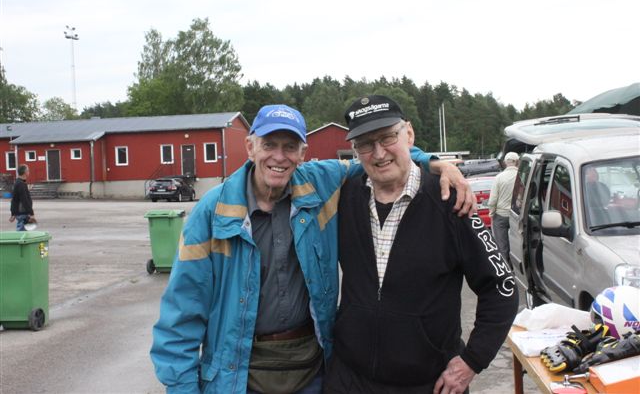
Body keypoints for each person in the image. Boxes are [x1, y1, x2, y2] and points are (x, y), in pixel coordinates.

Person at [150, 104, 475, 394]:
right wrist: (182, 387)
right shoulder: (212, 212)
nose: (279, 157)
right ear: (250, 147)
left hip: (312, 374)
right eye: (269, 145)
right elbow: (182, 312)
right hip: (238, 376)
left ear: (303, 153)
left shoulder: (321, 184)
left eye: (290, 147)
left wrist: (434, 163)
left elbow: (380, 157)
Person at [324, 95, 519, 394]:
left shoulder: (452, 201)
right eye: (365, 144)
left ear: (409, 134)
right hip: (351, 379)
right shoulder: (343, 197)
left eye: (387, 137)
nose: (379, 153)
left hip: (428, 383)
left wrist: (472, 360)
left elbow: (501, 287)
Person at [487, 151, 519, 266]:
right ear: (517, 162)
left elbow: (492, 200)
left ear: (505, 163)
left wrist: (492, 213)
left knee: (502, 246)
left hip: (501, 215)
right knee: (518, 244)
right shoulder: (522, 176)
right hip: (517, 215)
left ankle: (505, 267)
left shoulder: (499, 178)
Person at [9, 164, 36, 231]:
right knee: (22, 233)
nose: (29, 172)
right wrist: (31, 213)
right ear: (25, 172)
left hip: (21, 213)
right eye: (28, 171)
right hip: (23, 213)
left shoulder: (18, 183)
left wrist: (13, 213)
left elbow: (14, 199)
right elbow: (24, 200)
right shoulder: (21, 184)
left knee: (24, 232)